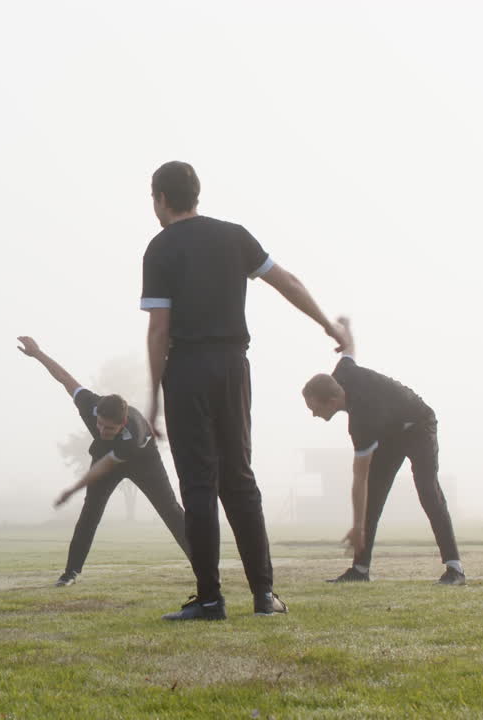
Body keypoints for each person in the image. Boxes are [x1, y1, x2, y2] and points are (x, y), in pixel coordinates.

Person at [141, 160, 347, 621]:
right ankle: (264, 596)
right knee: (239, 480)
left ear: (160, 199)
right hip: (233, 367)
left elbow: (159, 331)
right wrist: (326, 323)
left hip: (187, 369)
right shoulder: (235, 236)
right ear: (196, 194)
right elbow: (287, 282)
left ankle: (210, 599)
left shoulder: (160, 248)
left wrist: (153, 399)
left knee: (198, 485)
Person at [16, 336, 191, 586]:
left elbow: (104, 466)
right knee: (90, 513)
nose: (101, 429)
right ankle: (71, 573)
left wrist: (71, 490)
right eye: (99, 423)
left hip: (143, 461)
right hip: (105, 456)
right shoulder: (91, 405)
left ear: (122, 424)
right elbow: (65, 378)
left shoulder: (134, 434)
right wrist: (38, 353)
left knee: (171, 511)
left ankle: (202, 565)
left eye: (109, 428)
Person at [302, 318, 464, 585]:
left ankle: (455, 569)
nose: (314, 414)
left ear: (331, 401)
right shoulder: (342, 373)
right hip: (390, 433)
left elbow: (359, 480)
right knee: (375, 495)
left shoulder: (362, 421)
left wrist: (357, 527)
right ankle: (360, 571)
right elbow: (349, 350)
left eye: (315, 408)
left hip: (419, 424)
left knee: (427, 488)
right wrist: (347, 330)